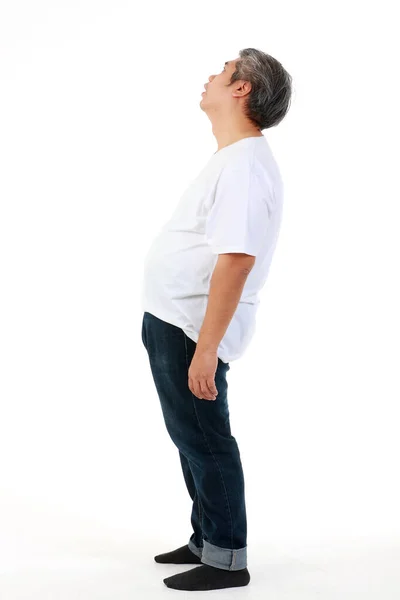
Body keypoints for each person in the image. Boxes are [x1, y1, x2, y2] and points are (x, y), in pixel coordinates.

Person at [140, 47, 292, 591]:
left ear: (241, 89)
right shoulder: (234, 158)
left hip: (191, 329)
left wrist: (207, 348)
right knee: (189, 436)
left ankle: (227, 558)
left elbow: (237, 259)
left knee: (206, 439)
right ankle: (206, 536)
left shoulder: (247, 165)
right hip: (176, 320)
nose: (210, 76)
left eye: (222, 71)